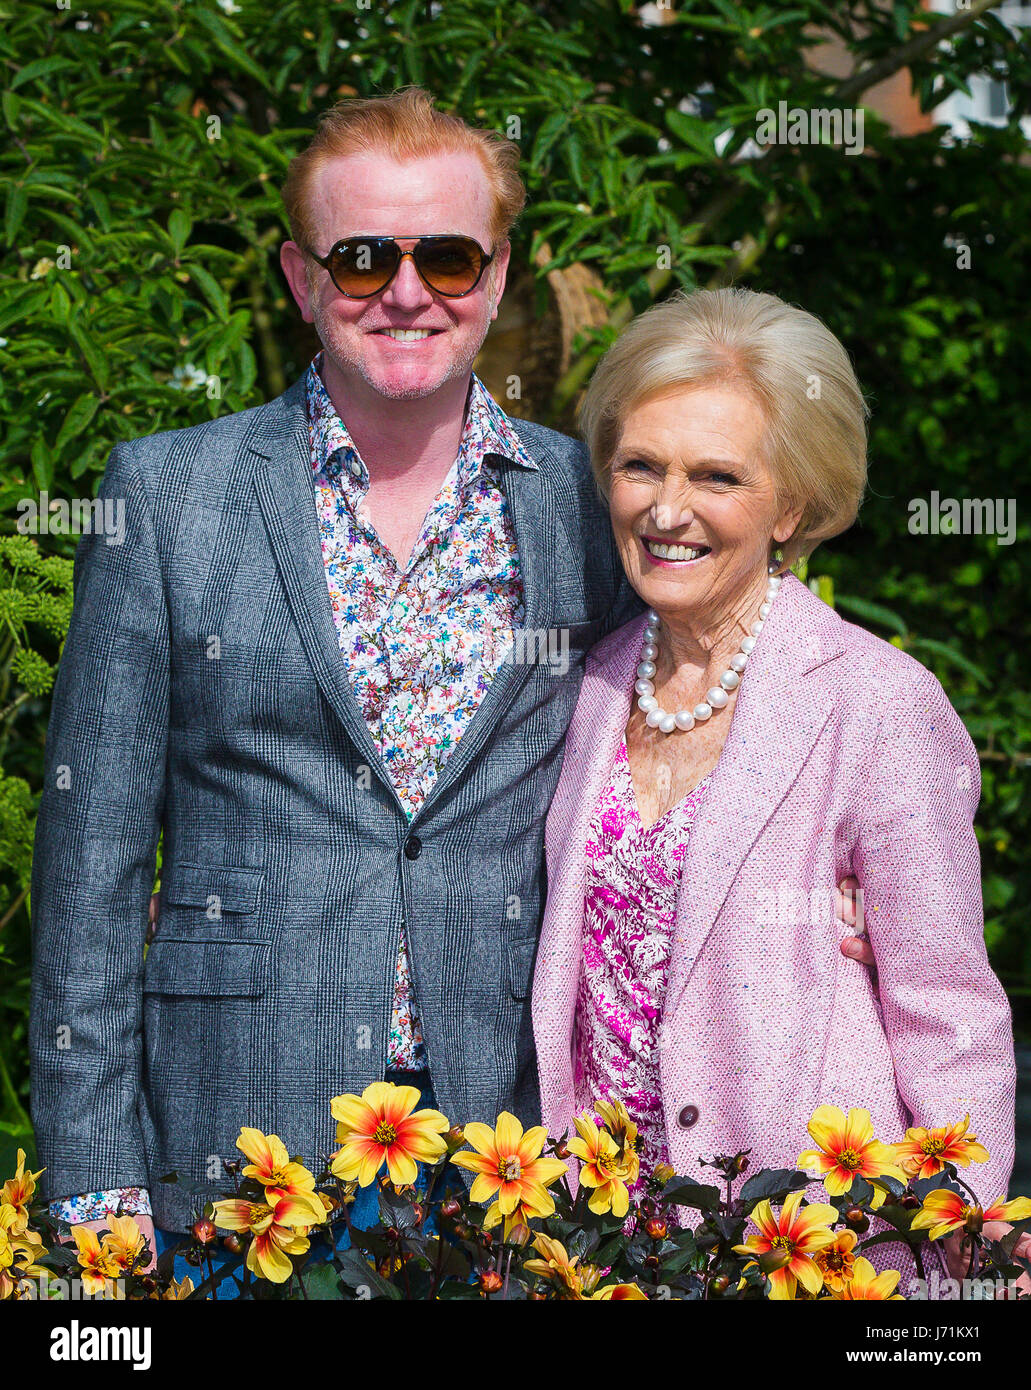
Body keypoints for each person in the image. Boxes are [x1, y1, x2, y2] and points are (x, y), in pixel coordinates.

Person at [30, 90, 871, 1279]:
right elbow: (89, 872)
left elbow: (704, 701)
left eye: (448, 254)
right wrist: (89, 1174)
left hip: (515, 1143)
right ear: (296, 274)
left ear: (498, 269)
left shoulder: (593, 504)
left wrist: (816, 876)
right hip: (234, 1146)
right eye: (363, 257)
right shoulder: (170, 500)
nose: (408, 291)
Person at [531, 286, 1019, 1289]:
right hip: (599, 1240)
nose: (667, 510)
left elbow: (946, 1006)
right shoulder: (582, 690)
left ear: (790, 504)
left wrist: (962, 1242)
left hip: (808, 1240)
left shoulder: (874, 703)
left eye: (716, 475)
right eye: (639, 466)